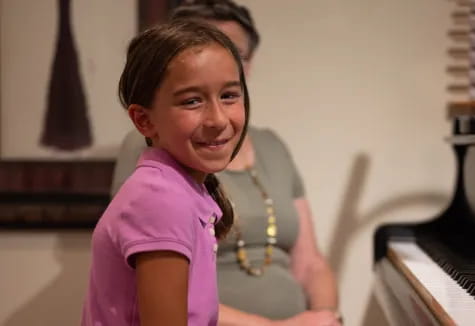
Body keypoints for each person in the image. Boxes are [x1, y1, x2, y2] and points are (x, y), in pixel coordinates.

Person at [111, 1, 341, 325]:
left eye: (230, 53)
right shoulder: (157, 179)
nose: (217, 118)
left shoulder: (271, 145)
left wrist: (326, 317)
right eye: (192, 99)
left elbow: (311, 261)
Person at [82, 19, 249, 325]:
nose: (218, 119)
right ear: (144, 121)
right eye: (192, 101)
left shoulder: (180, 189)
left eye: (228, 96)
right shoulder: (161, 200)